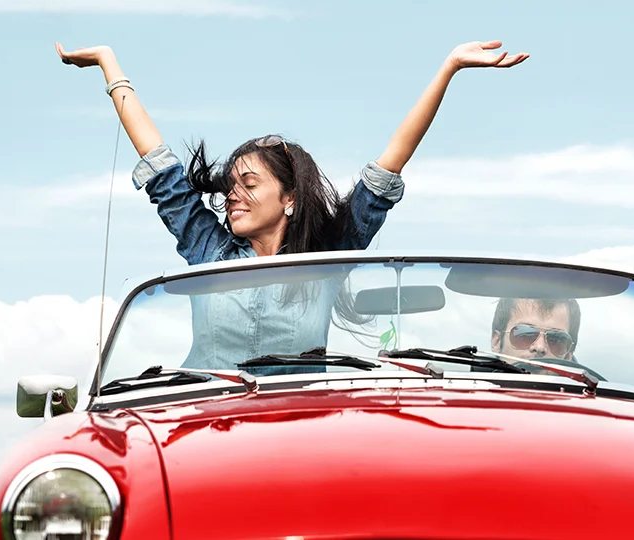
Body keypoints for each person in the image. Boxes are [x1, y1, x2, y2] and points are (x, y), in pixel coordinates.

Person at [56, 40, 529, 375]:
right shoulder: (209, 253)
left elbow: (387, 168)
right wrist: (108, 63)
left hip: (297, 429)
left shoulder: (326, 258)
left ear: (290, 200)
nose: (231, 195)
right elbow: (162, 169)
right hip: (203, 422)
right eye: (228, 186)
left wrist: (448, 68)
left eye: (248, 184)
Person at [490, 297, 580, 363]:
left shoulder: (587, 388)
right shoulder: (476, 384)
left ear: (569, 355)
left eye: (556, 340)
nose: (540, 347)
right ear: (497, 342)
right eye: (525, 334)